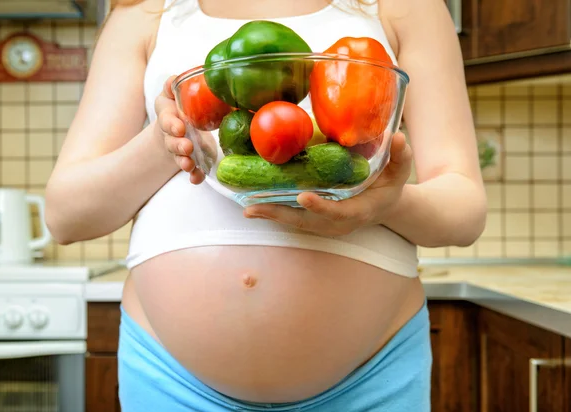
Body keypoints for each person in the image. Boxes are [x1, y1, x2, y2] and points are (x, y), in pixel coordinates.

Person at [45, 0, 487, 410]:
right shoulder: (146, 10)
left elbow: (464, 211)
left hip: (371, 381)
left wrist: (381, 206)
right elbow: (66, 216)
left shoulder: (403, 6)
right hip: (172, 383)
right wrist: (168, 142)